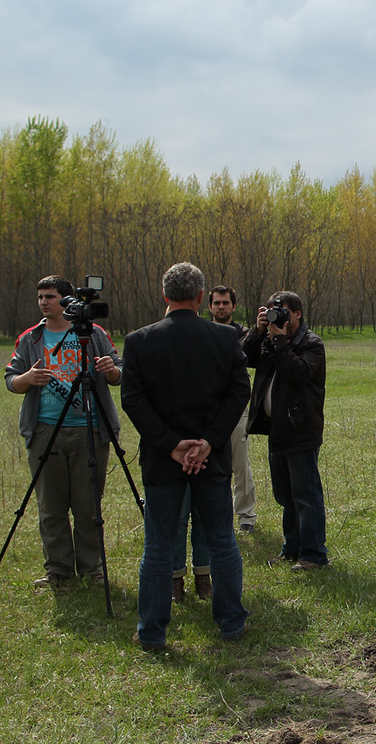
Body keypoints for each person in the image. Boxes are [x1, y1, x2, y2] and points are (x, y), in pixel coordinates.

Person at [121, 262, 251, 650]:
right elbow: (238, 393)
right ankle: (231, 622)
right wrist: (208, 442)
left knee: (158, 545)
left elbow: (133, 401)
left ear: (165, 296)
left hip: (164, 461)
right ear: (200, 298)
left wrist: (171, 444)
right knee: (222, 540)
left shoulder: (139, 341)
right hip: (209, 459)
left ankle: (152, 631)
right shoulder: (225, 338)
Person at [5, 275, 122, 588]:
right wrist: (28, 377)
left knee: (88, 506)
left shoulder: (93, 333)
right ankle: (58, 570)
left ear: (68, 301)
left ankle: (92, 569)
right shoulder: (30, 338)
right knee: (51, 506)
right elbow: (11, 381)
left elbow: (118, 372)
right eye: (40, 296)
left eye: (51, 296)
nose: (44, 302)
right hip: (45, 431)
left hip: (89, 430)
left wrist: (111, 370)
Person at [244, 290, 328, 570]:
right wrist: (258, 332)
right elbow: (244, 356)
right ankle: (292, 549)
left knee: (305, 495)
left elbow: (299, 373)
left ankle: (314, 555)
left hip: (301, 429)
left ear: (298, 314)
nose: (275, 319)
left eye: (282, 313)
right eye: (271, 313)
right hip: (277, 429)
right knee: (285, 495)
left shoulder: (310, 343)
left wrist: (279, 340)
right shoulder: (269, 340)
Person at [210, 285, 257, 532]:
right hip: (208, 409)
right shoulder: (203, 333)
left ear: (233, 306)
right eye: (216, 303)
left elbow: (250, 350)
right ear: (209, 306)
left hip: (237, 408)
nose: (221, 307)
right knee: (211, 466)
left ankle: (246, 515)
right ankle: (216, 514)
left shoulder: (243, 334)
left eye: (225, 303)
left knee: (240, 463)